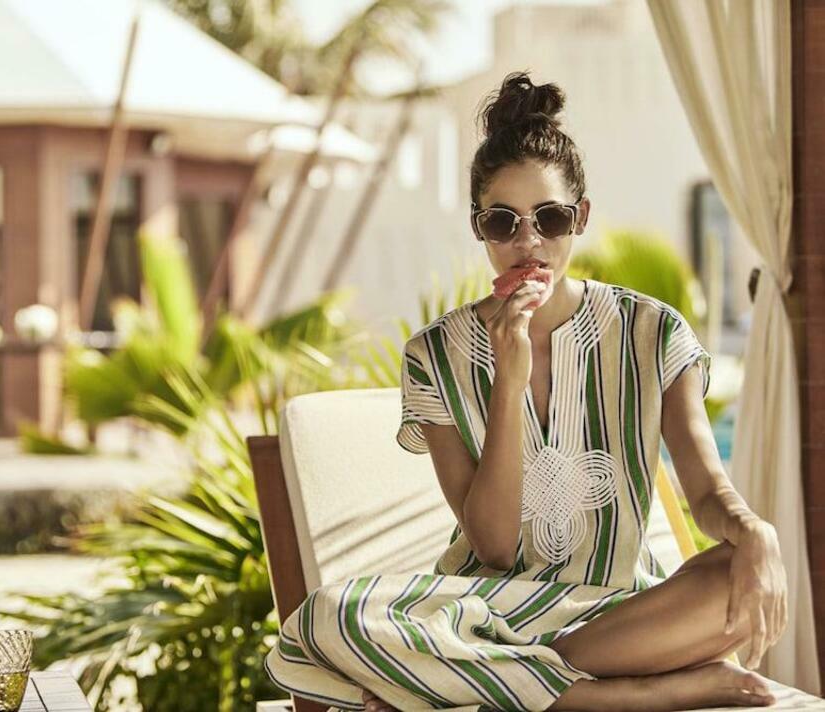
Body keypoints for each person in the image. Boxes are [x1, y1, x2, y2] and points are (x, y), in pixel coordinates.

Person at [263, 71, 788, 712]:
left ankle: (481, 685)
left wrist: (754, 531)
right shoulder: (435, 356)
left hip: (620, 611)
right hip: (477, 613)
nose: (528, 242)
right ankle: (635, 695)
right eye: (502, 222)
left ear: (581, 217)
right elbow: (493, 546)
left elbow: (706, 492)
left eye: (551, 218)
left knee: (739, 572)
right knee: (328, 617)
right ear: (478, 227)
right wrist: (507, 382)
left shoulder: (654, 332)